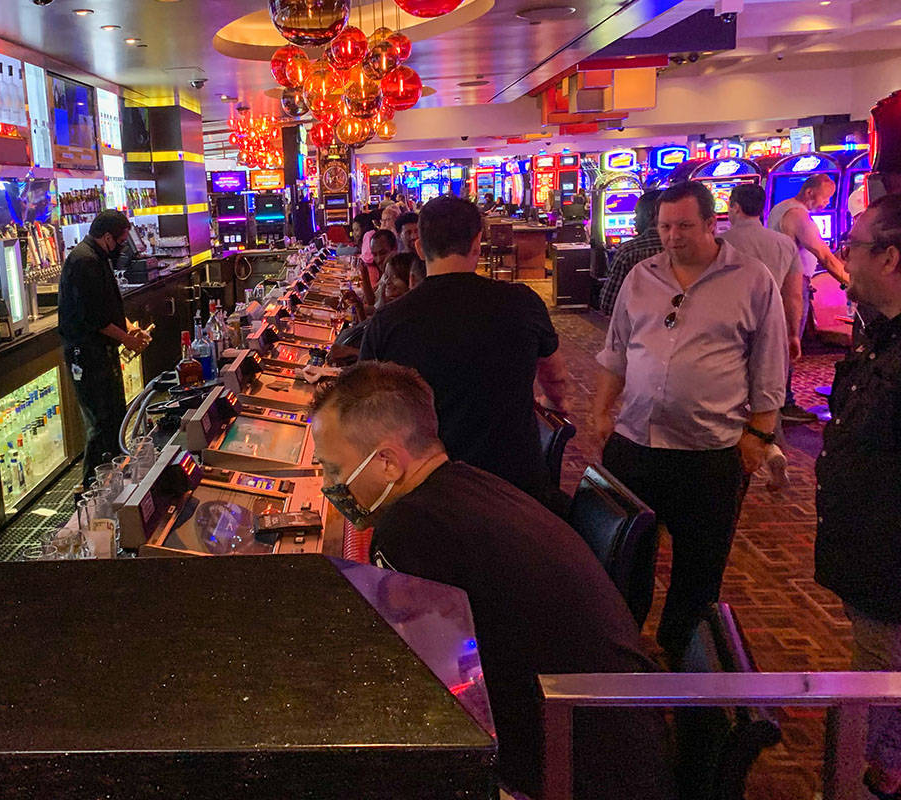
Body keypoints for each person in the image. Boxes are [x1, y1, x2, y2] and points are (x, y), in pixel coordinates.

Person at [309, 361, 675, 800]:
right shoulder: (468, 482)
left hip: (576, 765)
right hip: (617, 733)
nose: (331, 485)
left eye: (333, 469)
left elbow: (419, 691)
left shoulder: (414, 528)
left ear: (386, 462)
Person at [592, 181, 789, 660]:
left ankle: (684, 668)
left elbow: (769, 366)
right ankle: (621, 657)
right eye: (664, 226)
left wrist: (759, 436)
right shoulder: (642, 275)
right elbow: (617, 351)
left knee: (698, 574)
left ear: (711, 223)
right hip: (636, 442)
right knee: (623, 563)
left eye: (683, 226)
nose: (672, 236)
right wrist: (599, 411)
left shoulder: (752, 279)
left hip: (710, 452)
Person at [360, 196, 570, 501]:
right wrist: (555, 403)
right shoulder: (523, 302)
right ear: (477, 243)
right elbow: (556, 378)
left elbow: (366, 411)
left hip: (430, 494)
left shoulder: (387, 322)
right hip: (517, 494)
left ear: (419, 246)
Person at [813, 193, 901, 799]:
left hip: (892, 570)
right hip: (869, 557)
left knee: (880, 705)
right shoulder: (880, 335)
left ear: (890, 258)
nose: (845, 256)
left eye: (856, 246)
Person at [722, 183, 806, 490]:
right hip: (773, 327)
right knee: (769, 392)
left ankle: (741, 452)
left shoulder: (721, 241)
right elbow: (793, 296)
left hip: (731, 328)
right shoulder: (784, 244)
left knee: (733, 393)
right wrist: (793, 333)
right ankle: (772, 448)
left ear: (734, 206)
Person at [58, 210, 150, 487]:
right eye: (121, 240)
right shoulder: (84, 261)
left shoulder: (96, 257)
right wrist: (127, 339)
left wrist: (128, 326)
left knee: (113, 417)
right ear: (107, 237)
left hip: (100, 353)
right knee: (100, 422)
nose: (123, 246)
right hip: (86, 354)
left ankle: (113, 479)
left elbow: (106, 305)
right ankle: (93, 487)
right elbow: (94, 318)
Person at [767, 173, 849, 423]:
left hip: (782, 282)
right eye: (825, 197)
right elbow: (823, 255)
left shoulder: (780, 208)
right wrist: (850, 281)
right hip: (792, 284)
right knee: (789, 345)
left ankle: (778, 400)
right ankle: (784, 404)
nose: (827, 204)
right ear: (811, 192)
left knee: (780, 346)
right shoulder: (798, 214)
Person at [598, 189, 664, 316]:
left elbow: (608, 304)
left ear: (649, 215)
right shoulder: (686, 249)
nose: (634, 219)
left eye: (637, 213)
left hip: (638, 327)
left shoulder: (629, 251)